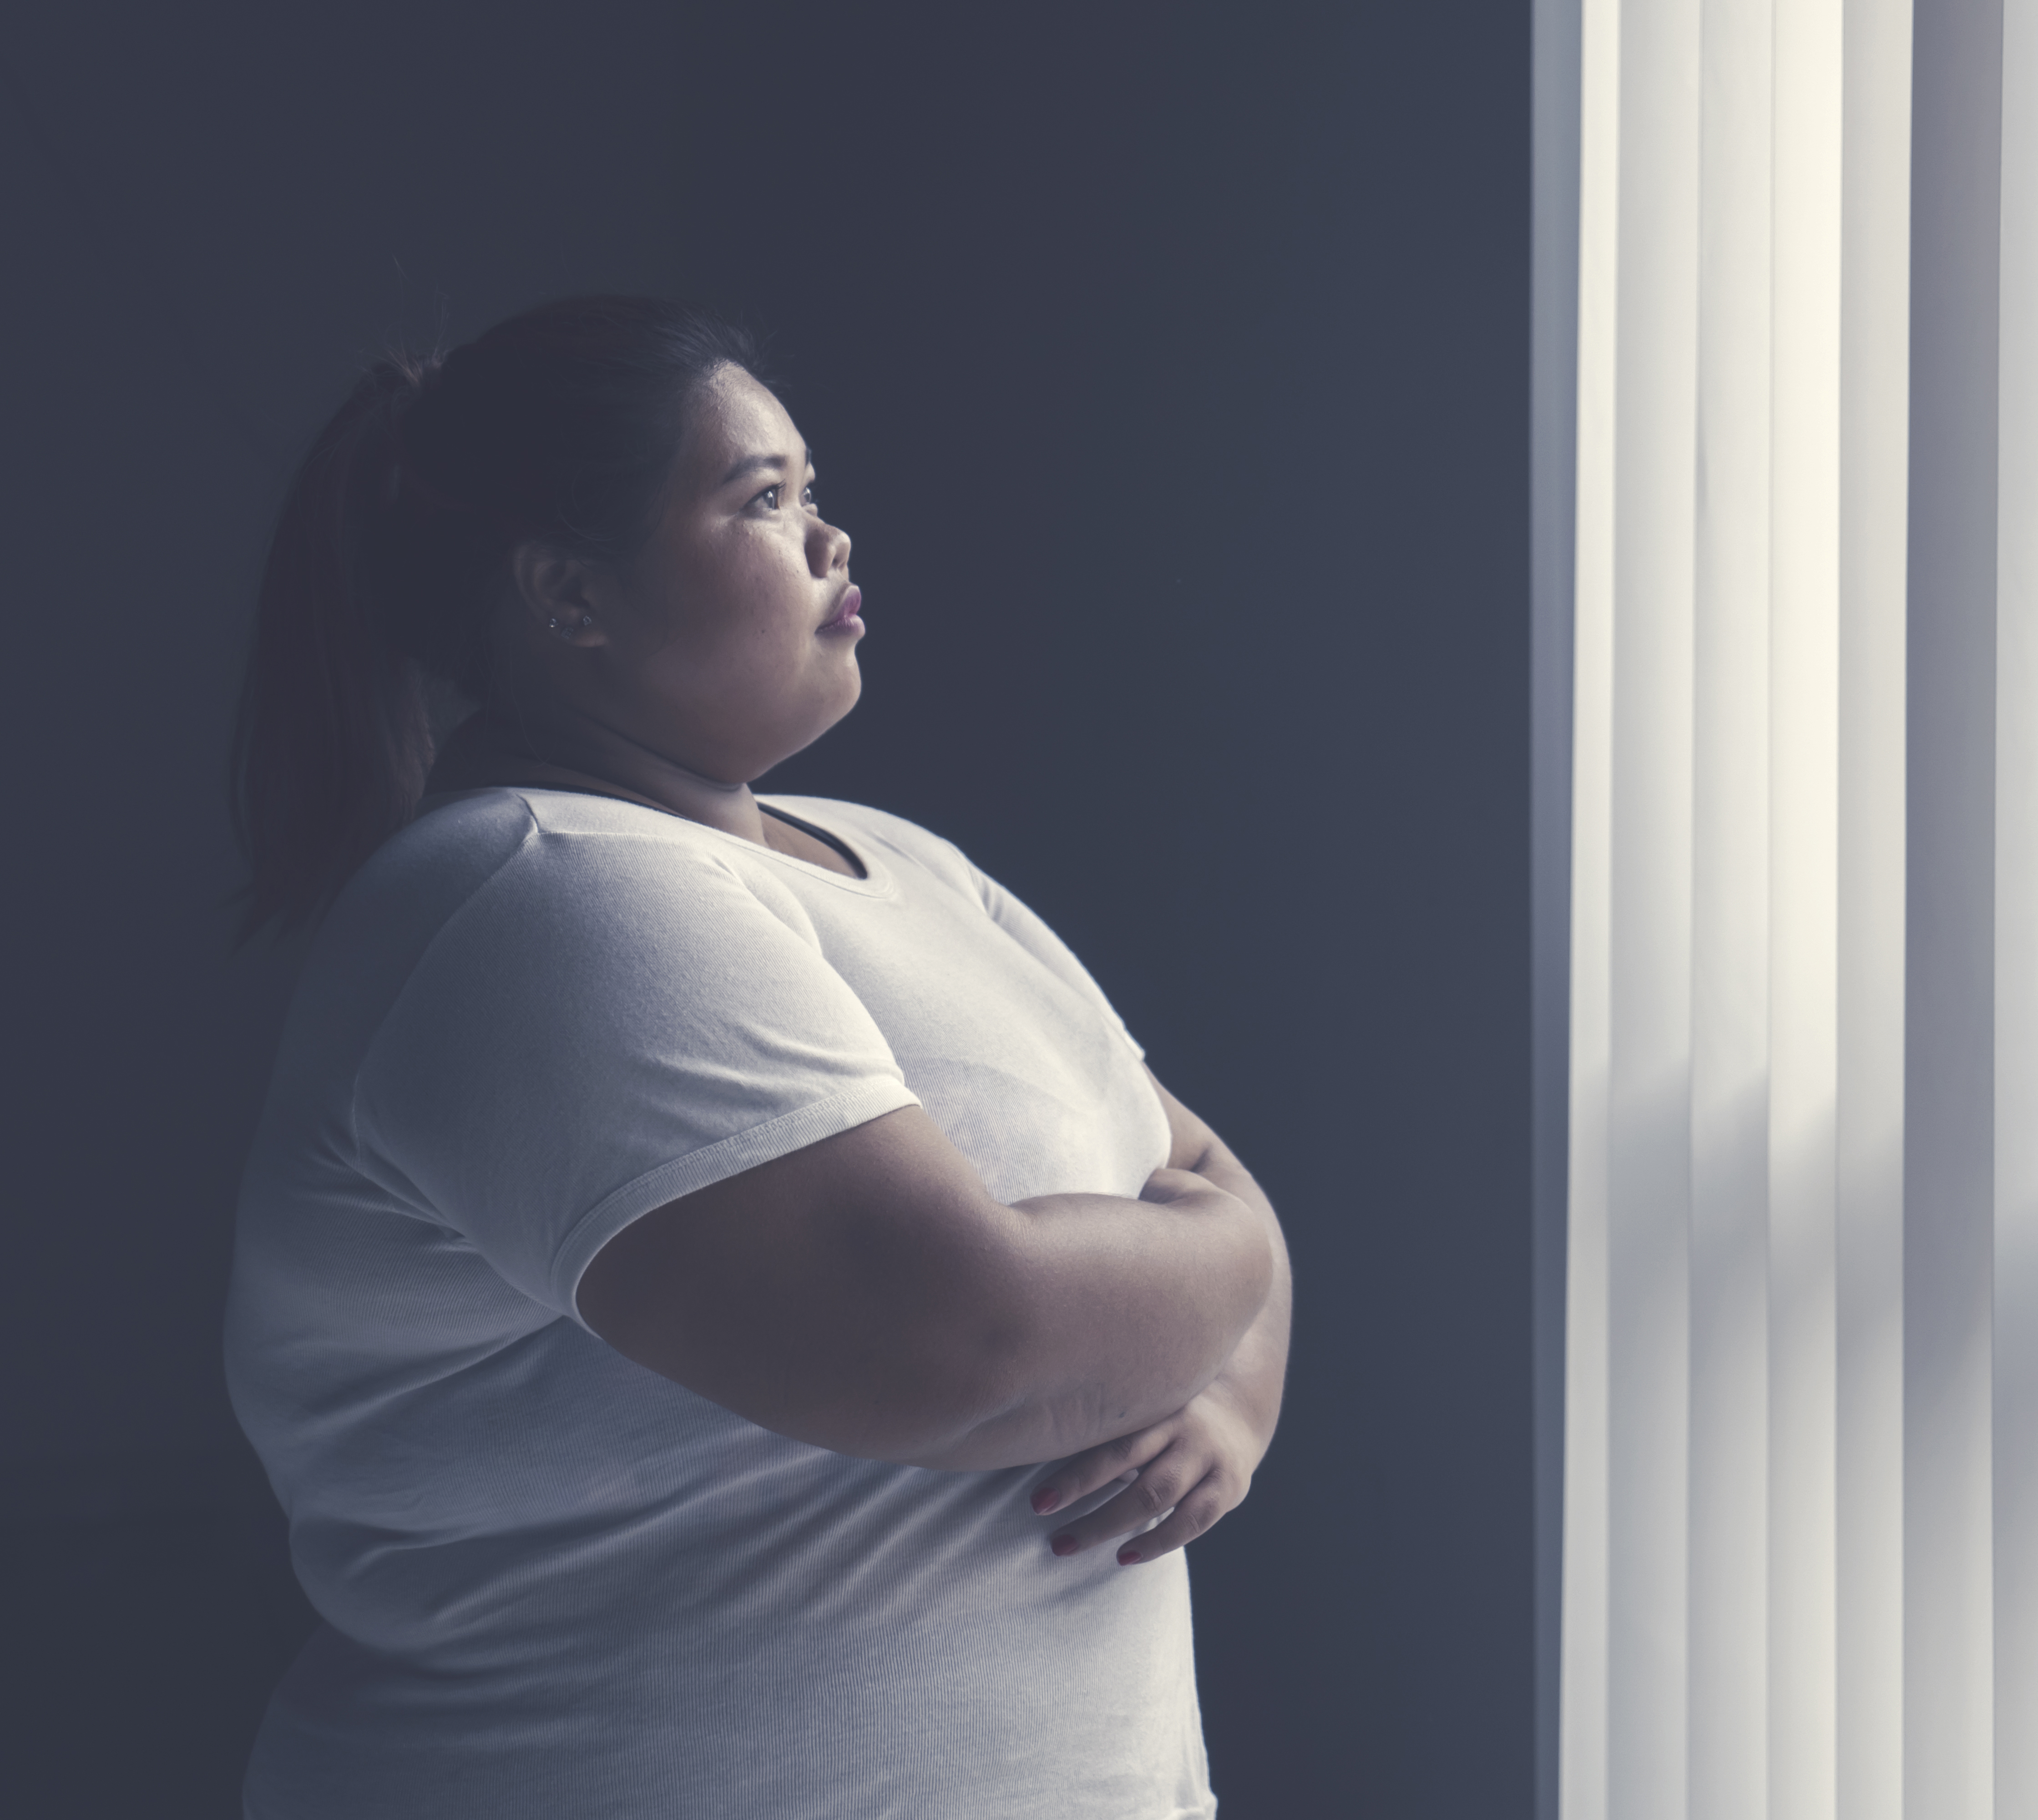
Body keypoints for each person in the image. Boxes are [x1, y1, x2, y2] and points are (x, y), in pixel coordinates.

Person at [222, 296, 1290, 1820]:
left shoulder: (903, 865)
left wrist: (1227, 1389)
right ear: (568, 597)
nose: (831, 537)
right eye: (763, 498)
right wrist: (1236, 1257)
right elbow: (964, 1348)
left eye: (811, 488)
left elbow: (1182, 1177)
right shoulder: (537, 894)